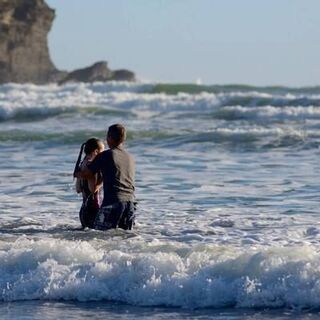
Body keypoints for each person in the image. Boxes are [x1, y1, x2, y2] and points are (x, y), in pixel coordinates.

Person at [76, 124, 136, 230]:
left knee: (100, 236)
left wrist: (77, 174)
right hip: (130, 203)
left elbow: (87, 174)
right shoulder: (129, 157)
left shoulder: (106, 155)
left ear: (110, 138)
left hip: (112, 203)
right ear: (123, 139)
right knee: (125, 239)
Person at [74, 138, 105, 229]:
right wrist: (103, 179)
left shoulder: (82, 164)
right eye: (102, 152)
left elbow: (78, 189)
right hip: (94, 209)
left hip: (83, 209)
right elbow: (93, 189)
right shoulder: (92, 167)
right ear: (96, 151)